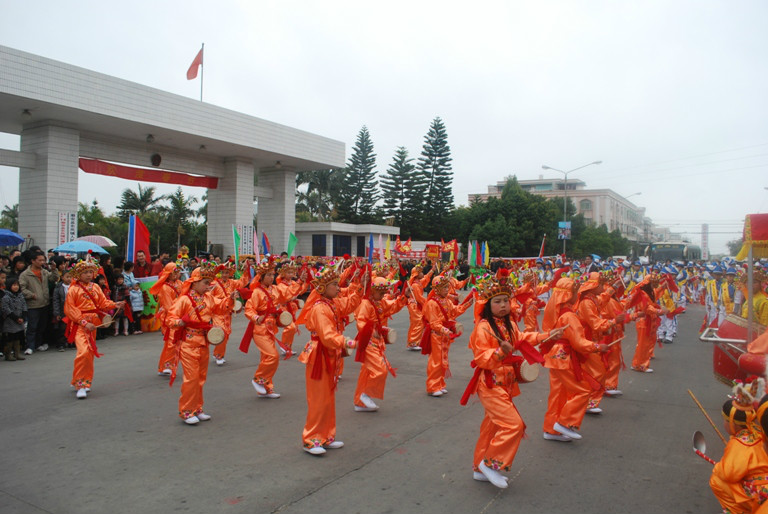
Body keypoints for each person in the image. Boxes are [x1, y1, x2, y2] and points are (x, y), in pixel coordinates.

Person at [462, 273, 561, 488]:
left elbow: (524, 338)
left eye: (506, 300)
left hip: (505, 382)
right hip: (490, 384)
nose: (503, 305)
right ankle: (491, 464)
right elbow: (482, 359)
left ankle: (479, 467)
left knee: (492, 428)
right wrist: (499, 352)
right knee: (513, 425)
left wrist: (548, 335)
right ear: (488, 305)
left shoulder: (508, 325)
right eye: (497, 302)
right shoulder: (484, 328)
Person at [297, 264, 363, 455]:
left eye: (336, 283)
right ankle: (311, 439)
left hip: (329, 353)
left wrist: (360, 287)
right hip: (319, 354)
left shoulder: (331, 304)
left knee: (328, 398)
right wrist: (347, 341)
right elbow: (327, 336)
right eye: (334, 284)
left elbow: (349, 304)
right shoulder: (319, 308)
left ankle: (325, 436)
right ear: (322, 288)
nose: (338, 288)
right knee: (318, 399)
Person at [540, 277, 609, 441]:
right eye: (574, 291)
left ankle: (551, 429)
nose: (576, 293)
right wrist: (598, 347)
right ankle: (564, 423)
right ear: (567, 294)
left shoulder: (558, 311)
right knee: (583, 389)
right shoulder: (569, 315)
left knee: (558, 394)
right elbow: (579, 343)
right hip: (563, 357)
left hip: (555, 356)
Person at [165, 263, 233, 424]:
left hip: (204, 340)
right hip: (188, 342)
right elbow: (170, 318)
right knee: (191, 378)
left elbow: (220, 306)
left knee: (201, 377)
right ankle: (186, 411)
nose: (207, 286)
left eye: (209, 283)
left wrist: (231, 299)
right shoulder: (184, 300)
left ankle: (197, 408)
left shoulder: (208, 297)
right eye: (205, 283)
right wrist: (180, 322)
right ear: (194, 282)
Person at [241, 260, 307, 398]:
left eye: (272, 274)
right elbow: (249, 308)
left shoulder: (275, 289)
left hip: (272, 327)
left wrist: (301, 281)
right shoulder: (257, 292)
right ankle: (258, 379)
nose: (271, 277)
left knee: (266, 358)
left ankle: (266, 388)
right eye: (268, 275)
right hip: (260, 329)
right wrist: (255, 317)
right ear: (261, 277)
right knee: (273, 356)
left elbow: (288, 294)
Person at [63, 260, 125, 399]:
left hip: (93, 324)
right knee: (83, 352)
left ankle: (83, 381)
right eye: (85, 272)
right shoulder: (73, 289)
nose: (88, 275)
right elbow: (70, 309)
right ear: (78, 274)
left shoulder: (96, 287)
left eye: (90, 272)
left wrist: (115, 304)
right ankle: (81, 384)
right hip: (80, 325)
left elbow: (103, 303)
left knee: (88, 353)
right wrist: (83, 322)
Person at [710, 380, 768, 514]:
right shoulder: (758, 431)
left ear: (732, 423)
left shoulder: (740, 443)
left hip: (761, 492)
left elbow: (728, 474)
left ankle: (737, 511)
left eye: (725, 420)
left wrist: (719, 466)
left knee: (717, 480)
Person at [352, 276, 407, 412]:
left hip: (377, 340)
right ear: (372, 291)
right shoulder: (366, 304)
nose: (383, 295)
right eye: (381, 293)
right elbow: (361, 321)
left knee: (367, 371)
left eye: (384, 293)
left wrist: (403, 297)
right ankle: (366, 394)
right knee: (380, 369)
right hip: (368, 340)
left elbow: (392, 306)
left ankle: (360, 402)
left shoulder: (379, 302)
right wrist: (370, 331)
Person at [421, 274, 474, 396]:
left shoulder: (446, 301)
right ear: (437, 289)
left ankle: (440, 383)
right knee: (436, 361)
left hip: (444, 335)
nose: (447, 290)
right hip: (436, 335)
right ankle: (432, 386)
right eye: (445, 288)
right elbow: (434, 323)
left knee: (443, 360)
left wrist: (467, 304)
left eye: (447, 287)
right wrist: (446, 330)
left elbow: (455, 311)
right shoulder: (432, 303)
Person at [19, 250, 59, 353]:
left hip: (44, 303)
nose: (42, 262)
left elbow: (54, 278)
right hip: (33, 304)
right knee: (32, 326)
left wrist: (54, 270)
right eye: (40, 260)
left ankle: (38, 344)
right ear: (33, 261)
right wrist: (31, 295)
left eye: (43, 260)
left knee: (42, 326)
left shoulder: (44, 272)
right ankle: (30, 346)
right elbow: (22, 289)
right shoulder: (25, 274)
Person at [151, 262, 182, 375]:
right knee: (172, 340)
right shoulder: (165, 287)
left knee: (172, 341)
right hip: (169, 317)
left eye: (178, 272)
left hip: (177, 315)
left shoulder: (179, 283)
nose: (176, 274)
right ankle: (167, 365)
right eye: (174, 272)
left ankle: (164, 366)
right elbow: (169, 306)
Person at [630, 274, 664, 373]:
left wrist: (662, 287)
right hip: (643, 321)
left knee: (645, 344)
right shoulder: (642, 294)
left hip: (648, 320)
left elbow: (655, 296)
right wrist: (658, 312)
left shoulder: (650, 292)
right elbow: (646, 307)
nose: (654, 285)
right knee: (642, 344)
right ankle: (640, 365)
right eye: (652, 283)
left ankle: (639, 363)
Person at [2, 277, 28, 360]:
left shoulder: (20, 296)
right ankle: (8, 354)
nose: (16, 287)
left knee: (18, 336)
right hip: (10, 320)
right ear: (9, 286)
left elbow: (24, 306)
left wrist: (23, 316)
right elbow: (6, 309)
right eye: (14, 285)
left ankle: (17, 353)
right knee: (10, 337)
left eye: (17, 285)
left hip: (20, 319)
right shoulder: (6, 297)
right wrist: (16, 318)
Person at [52, 270, 72, 351]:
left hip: (72, 310)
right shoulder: (59, 287)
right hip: (62, 310)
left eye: (70, 277)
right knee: (62, 328)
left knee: (72, 327)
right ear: (62, 277)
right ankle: (61, 344)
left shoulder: (74, 286)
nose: (69, 279)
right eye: (67, 277)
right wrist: (57, 313)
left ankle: (71, 342)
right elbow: (56, 300)